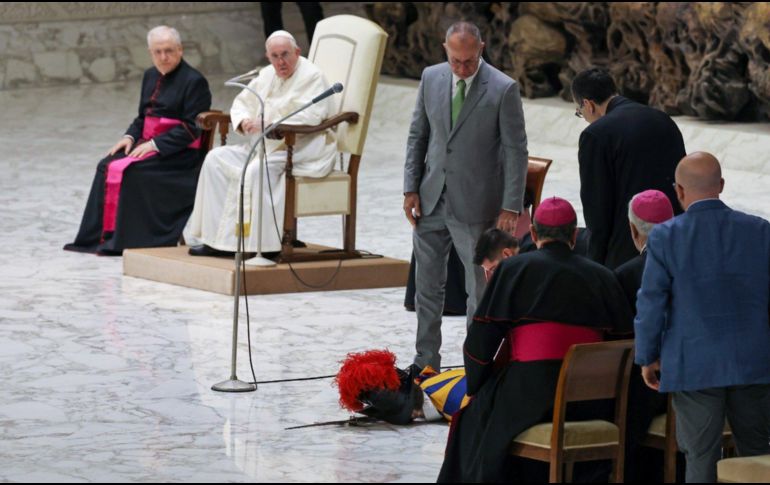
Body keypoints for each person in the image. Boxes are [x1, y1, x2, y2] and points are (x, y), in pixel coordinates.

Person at [439, 197, 633, 483]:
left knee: (471, 421)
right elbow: (625, 340)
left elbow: (481, 342)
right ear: (574, 235)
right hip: (592, 401)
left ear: (532, 234)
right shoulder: (603, 277)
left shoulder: (513, 269)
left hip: (530, 395)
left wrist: (478, 385)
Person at [635, 152, 770, 483]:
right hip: (754, 361)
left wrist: (647, 356)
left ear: (679, 191)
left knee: (700, 456)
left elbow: (651, 301)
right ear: (721, 185)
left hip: (694, 363)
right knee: (757, 454)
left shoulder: (665, 237)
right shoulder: (761, 231)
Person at [403, 21, 528, 371]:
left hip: (476, 202)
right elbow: (418, 135)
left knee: (477, 290)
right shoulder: (431, 78)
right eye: (455, 60)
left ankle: (476, 364)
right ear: (445, 49)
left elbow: (516, 150)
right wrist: (410, 187)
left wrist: (510, 206)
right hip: (430, 198)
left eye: (469, 61)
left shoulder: (503, 88)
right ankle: (426, 361)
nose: (461, 67)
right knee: (427, 288)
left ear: (481, 48)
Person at [184, 30, 336, 256]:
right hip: (264, 146)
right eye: (274, 56)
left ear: (297, 52)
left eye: (285, 55)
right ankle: (216, 241)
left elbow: (312, 116)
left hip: (302, 148)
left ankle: (262, 246)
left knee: (257, 170)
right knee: (215, 159)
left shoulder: (312, 77)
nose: (280, 62)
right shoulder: (266, 74)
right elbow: (243, 102)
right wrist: (244, 120)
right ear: (268, 57)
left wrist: (270, 123)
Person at [64, 26, 212, 255]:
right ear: (150, 53)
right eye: (158, 52)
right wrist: (129, 137)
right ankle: (98, 238)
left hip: (179, 157)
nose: (163, 57)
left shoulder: (194, 81)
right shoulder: (150, 75)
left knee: (132, 172)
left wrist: (155, 145)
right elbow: (143, 117)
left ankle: (126, 240)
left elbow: (192, 128)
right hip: (147, 143)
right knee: (106, 165)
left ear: (180, 50)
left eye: (169, 51)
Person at [572, 67, 685, 270]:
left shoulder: (596, 135)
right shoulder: (662, 119)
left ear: (588, 105)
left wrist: (595, 264)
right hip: (673, 242)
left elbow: (596, 206)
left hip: (625, 250)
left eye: (580, 112)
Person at [613, 189, 674, 482]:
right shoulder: (692, 264)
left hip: (646, 388)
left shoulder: (625, 275)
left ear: (633, 230)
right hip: (697, 385)